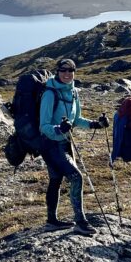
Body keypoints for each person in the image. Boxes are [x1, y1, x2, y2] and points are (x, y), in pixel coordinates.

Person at [39, 58, 108, 236]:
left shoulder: (74, 93)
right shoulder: (50, 94)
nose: (67, 74)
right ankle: (80, 222)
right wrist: (58, 128)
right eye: (64, 71)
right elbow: (44, 126)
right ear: (57, 71)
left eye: (71, 71)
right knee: (76, 177)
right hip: (51, 144)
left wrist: (95, 124)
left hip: (65, 143)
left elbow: (76, 119)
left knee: (56, 180)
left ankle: (51, 222)